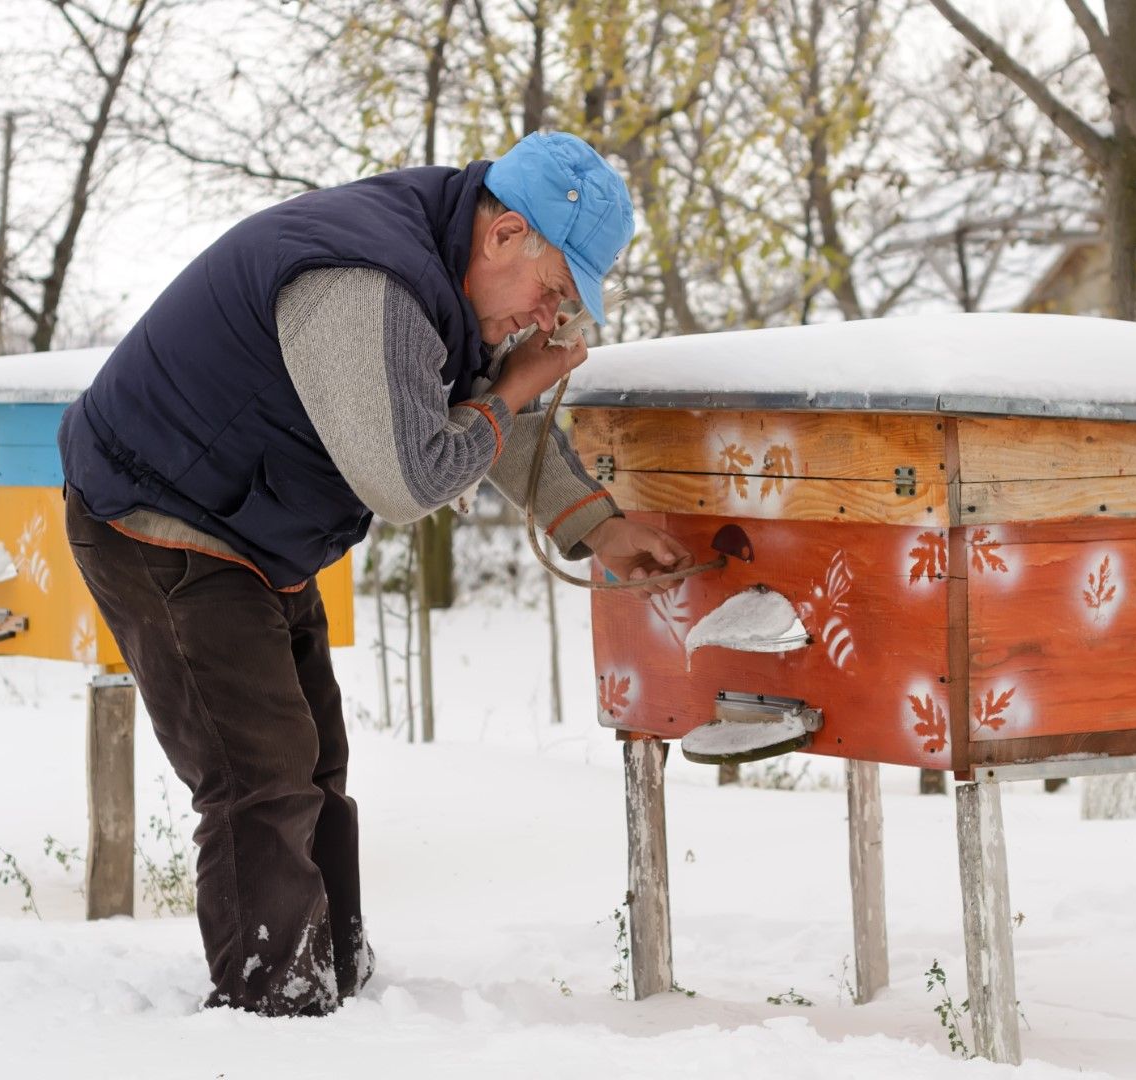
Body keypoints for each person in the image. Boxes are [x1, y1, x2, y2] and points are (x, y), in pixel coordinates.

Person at [58, 132, 693, 1017]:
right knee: (260, 773)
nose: (547, 320)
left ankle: (338, 981)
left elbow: (462, 405)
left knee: (315, 761)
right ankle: (272, 1012)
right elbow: (408, 478)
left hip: (253, 525)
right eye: (551, 293)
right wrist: (513, 389)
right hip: (161, 518)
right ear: (505, 233)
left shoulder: (446, 265)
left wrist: (598, 525)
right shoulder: (366, 284)